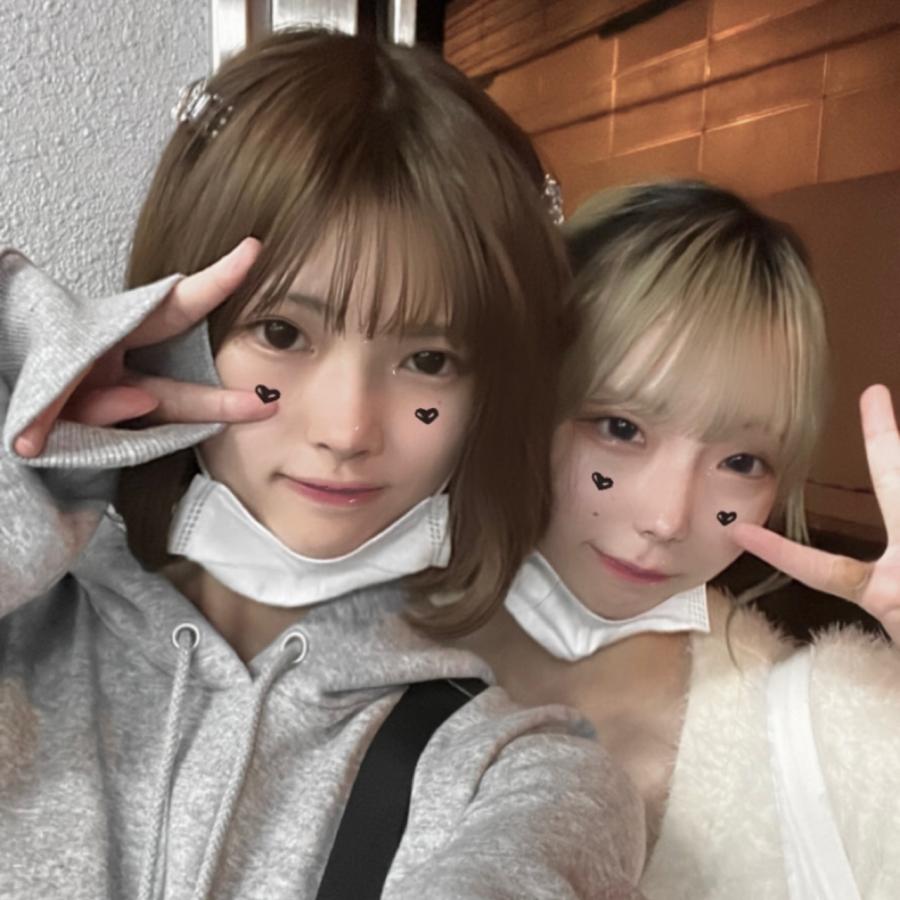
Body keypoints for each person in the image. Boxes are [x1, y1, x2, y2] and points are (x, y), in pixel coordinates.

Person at [0, 30, 645, 900]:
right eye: (282, 333)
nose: (348, 430)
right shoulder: (22, 625)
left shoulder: (514, 774)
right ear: (176, 330)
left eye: (429, 360)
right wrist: (27, 396)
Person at [457, 180, 900, 898]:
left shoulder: (831, 741)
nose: (667, 519)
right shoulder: (344, 654)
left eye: (741, 462)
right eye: (621, 428)